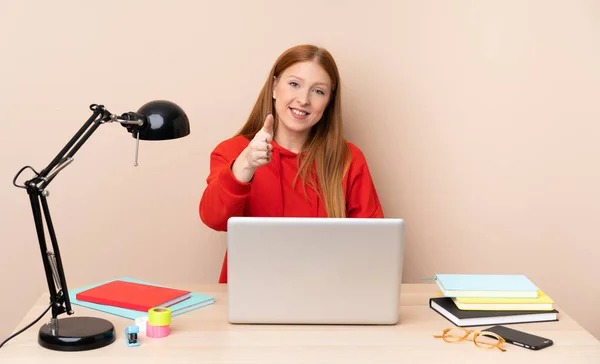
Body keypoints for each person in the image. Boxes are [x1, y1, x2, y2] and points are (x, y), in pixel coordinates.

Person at [199, 44, 384, 283]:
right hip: (250, 292)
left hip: (328, 294)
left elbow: (374, 244)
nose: (304, 99)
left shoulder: (349, 158)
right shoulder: (233, 152)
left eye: (318, 91)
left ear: (328, 102)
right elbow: (213, 219)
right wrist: (245, 164)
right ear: (274, 87)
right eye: (294, 84)